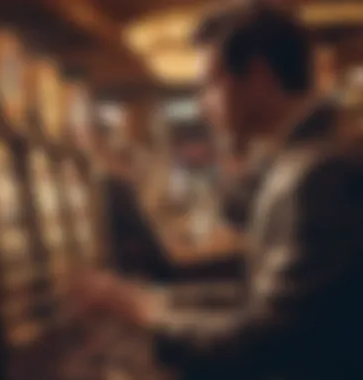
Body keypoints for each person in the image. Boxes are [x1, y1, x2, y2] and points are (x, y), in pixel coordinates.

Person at [74, 6, 363, 380]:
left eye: (210, 82)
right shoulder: (305, 156)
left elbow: (272, 342)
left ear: (257, 74)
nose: (201, 102)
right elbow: (255, 295)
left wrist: (144, 315)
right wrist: (153, 302)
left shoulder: (320, 171)